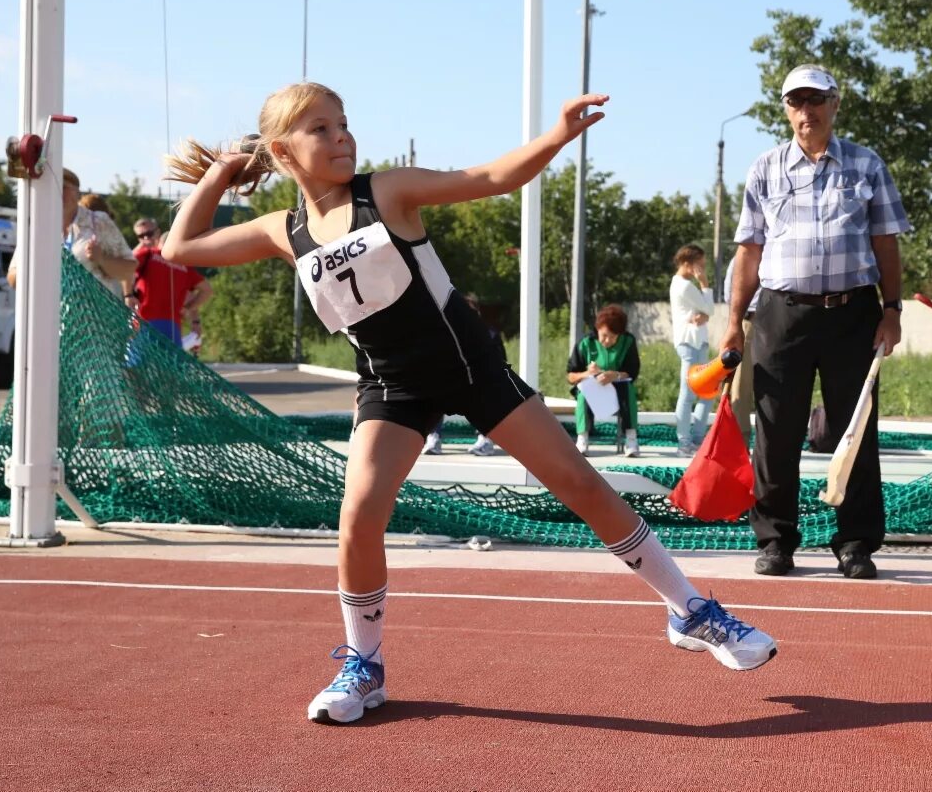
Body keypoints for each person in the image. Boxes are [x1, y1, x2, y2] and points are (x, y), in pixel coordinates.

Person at [160, 82, 775, 725]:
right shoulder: (283, 232)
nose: (341, 136)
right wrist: (227, 171)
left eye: (344, 123)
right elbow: (180, 247)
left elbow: (491, 177)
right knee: (359, 517)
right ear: (284, 152)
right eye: (321, 129)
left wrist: (557, 135)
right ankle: (364, 668)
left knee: (578, 483)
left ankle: (690, 612)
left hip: (471, 370)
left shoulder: (387, 192)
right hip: (392, 389)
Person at [719, 64, 911, 580]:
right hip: (781, 314)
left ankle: (855, 544)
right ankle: (776, 541)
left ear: (835, 103)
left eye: (816, 100)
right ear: (785, 110)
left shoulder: (867, 166)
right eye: (796, 102)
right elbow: (749, 249)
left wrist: (892, 310)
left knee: (856, 431)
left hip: (854, 314)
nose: (806, 112)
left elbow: (886, 241)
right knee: (775, 434)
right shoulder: (764, 168)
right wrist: (734, 321)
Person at [8, 169, 137, 308]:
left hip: (95, 322)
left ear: (77, 193)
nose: (59, 194)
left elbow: (129, 270)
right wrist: (33, 269)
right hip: (50, 321)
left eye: (65, 187)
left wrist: (102, 259)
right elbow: (12, 277)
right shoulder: (37, 226)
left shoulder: (98, 222)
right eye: (53, 188)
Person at [422, 294, 502, 456]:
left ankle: (485, 439)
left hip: (478, 381)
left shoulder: (490, 334)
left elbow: (499, 362)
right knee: (434, 389)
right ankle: (433, 437)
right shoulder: (444, 333)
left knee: (487, 392)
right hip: (451, 381)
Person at [566, 304, 641, 457]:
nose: (607, 341)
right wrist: (587, 373)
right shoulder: (585, 343)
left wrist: (616, 375)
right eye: (604, 335)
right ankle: (582, 439)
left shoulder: (628, 342)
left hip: (618, 389)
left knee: (629, 390)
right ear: (598, 328)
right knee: (583, 393)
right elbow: (570, 376)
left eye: (613, 338)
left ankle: (631, 440)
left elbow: (632, 372)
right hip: (592, 390)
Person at [131, 217, 213, 348]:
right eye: (141, 236)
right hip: (173, 325)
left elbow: (125, 266)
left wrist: (128, 296)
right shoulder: (184, 267)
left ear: (158, 234)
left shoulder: (148, 254)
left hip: (145, 319)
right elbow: (207, 290)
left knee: (135, 365)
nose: (146, 238)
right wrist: (188, 310)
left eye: (149, 234)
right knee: (170, 364)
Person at [669, 244, 713, 456]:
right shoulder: (685, 286)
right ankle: (685, 442)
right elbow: (710, 308)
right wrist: (704, 284)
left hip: (697, 341)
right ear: (688, 263)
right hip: (689, 342)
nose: (703, 269)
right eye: (700, 264)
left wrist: (703, 314)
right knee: (688, 395)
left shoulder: (682, 284)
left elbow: (705, 312)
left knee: (706, 393)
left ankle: (694, 439)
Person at [723, 257, 760, 446]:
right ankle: (740, 445)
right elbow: (730, 295)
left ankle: (770, 447)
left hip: (779, 324)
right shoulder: (742, 258)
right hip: (749, 322)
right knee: (741, 387)